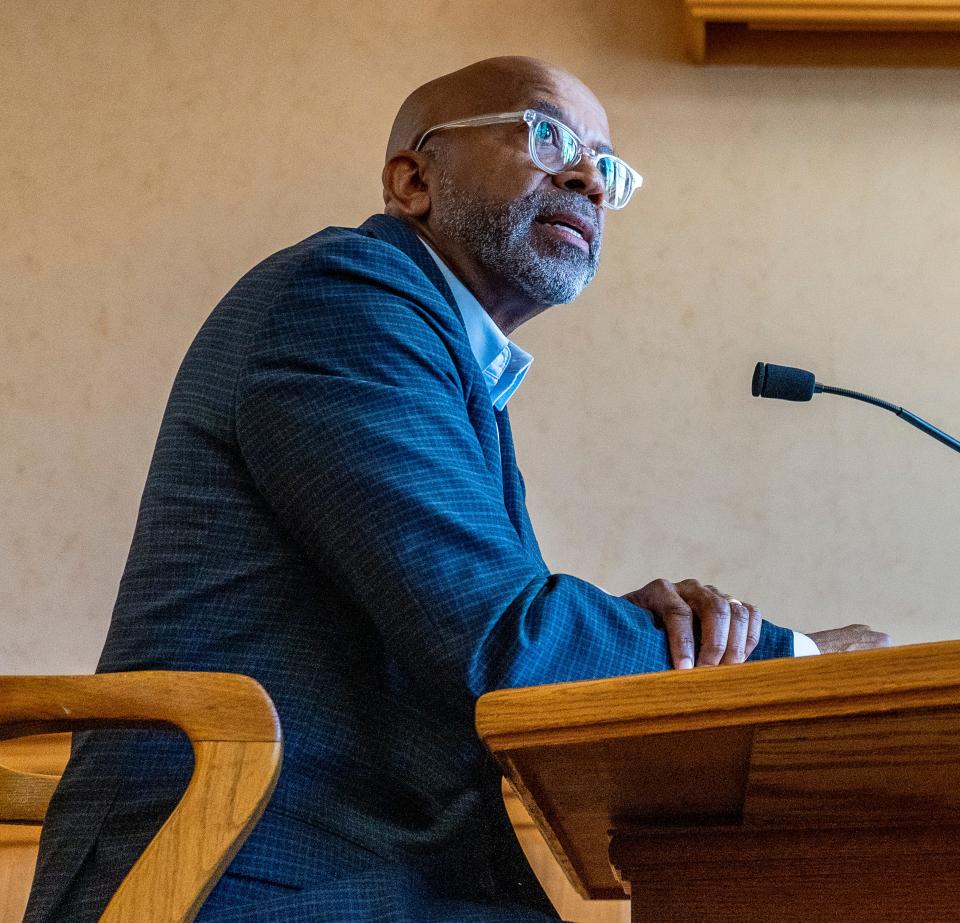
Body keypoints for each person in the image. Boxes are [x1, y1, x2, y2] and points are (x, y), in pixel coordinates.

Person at [24, 56, 889, 923]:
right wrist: (798, 667)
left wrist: (646, 642)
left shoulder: (444, 356)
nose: (589, 177)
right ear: (413, 179)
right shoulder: (346, 302)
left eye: (608, 167)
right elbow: (495, 639)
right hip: (246, 870)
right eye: (549, 136)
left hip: (369, 872)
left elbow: (485, 632)